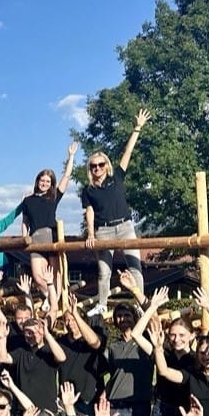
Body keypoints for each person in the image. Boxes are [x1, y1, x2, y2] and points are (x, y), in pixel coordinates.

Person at [82, 108, 151, 317]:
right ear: (90, 169)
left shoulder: (117, 177)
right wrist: (91, 234)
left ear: (107, 166)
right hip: (103, 231)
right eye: (93, 166)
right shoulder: (89, 190)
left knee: (135, 265)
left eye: (101, 164)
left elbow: (127, 153)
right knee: (104, 271)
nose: (97, 168)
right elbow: (90, 212)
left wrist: (137, 128)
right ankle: (102, 304)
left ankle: (140, 302)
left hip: (125, 227)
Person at [19, 142, 77, 297]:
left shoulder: (53, 197)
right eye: (42, 180)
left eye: (48, 181)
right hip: (35, 237)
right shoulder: (28, 200)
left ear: (51, 184)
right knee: (38, 276)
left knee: (54, 272)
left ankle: (55, 300)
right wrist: (25, 236)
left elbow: (66, 176)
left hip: (51, 234)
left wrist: (71, 156)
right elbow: (25, 221)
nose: (44, 183)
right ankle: (51, 297)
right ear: (37, 181)